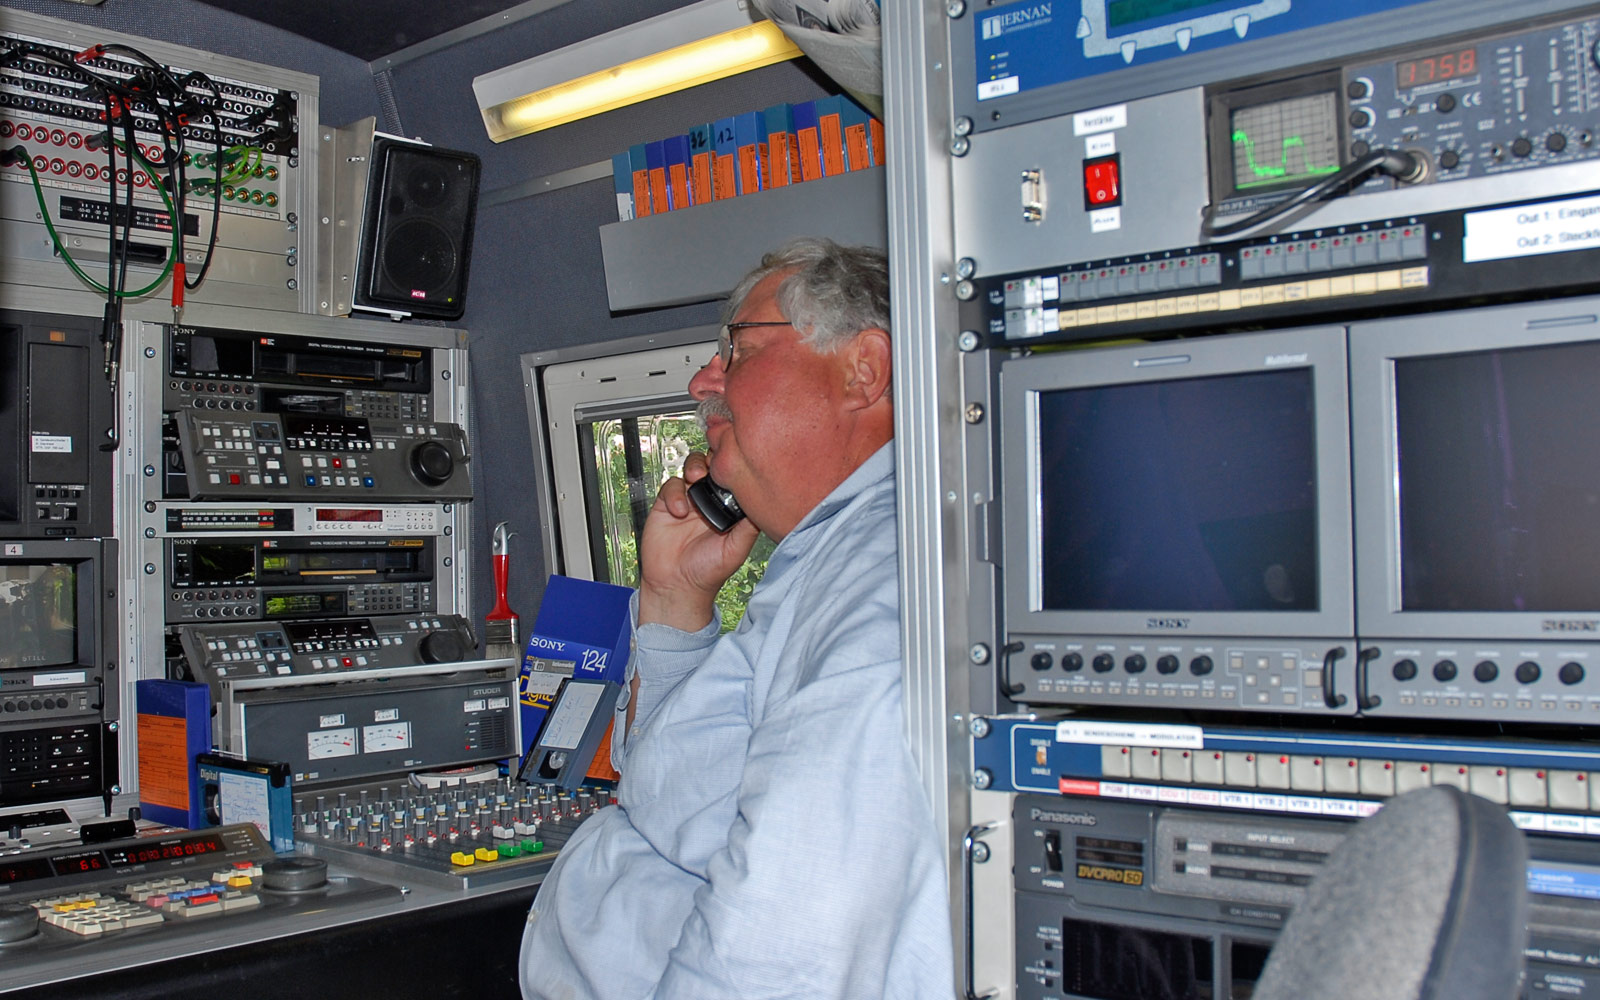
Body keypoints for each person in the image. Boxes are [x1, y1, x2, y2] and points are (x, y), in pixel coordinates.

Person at [519, 237, 954, 999]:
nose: (702, 382)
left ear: (865, 370)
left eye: (739, 351)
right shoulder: (826, 560)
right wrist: (675, 602)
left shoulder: (888, 587)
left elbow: (790, 945)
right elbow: (685, 795)